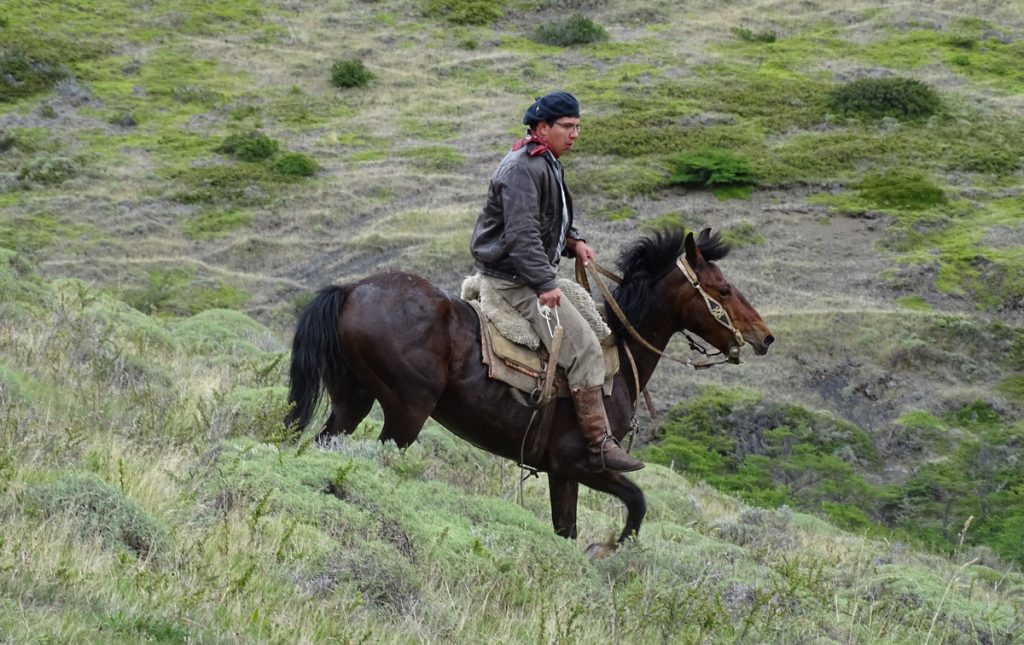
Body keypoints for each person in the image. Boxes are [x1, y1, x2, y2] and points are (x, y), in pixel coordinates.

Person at [469, 90, 644, 473]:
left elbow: (550, 217)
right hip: (517, 284)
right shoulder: (522, 168)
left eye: (578, 126)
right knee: (585, 349)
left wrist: (573, 240)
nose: (575, 134)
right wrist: (545, 282)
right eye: (567, 126)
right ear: (542, 127)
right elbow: (522, 235)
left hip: (529, 276)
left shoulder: (544, 161)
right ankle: (598, 443)